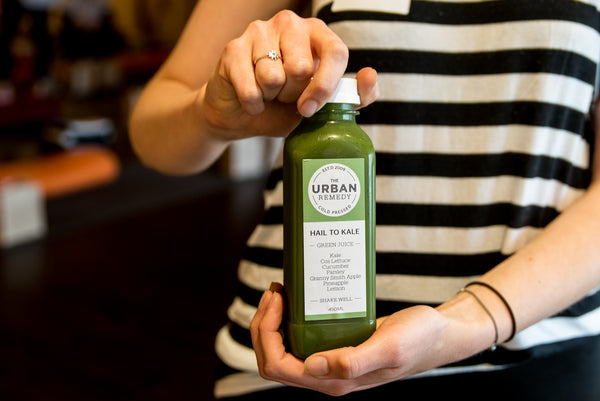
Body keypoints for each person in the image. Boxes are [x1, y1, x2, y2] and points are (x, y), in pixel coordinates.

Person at [129, 0, 600, 399]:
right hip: (294, 354)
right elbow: (152, 131)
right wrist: (212, 115)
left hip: (537, 343)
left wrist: (473, 320)